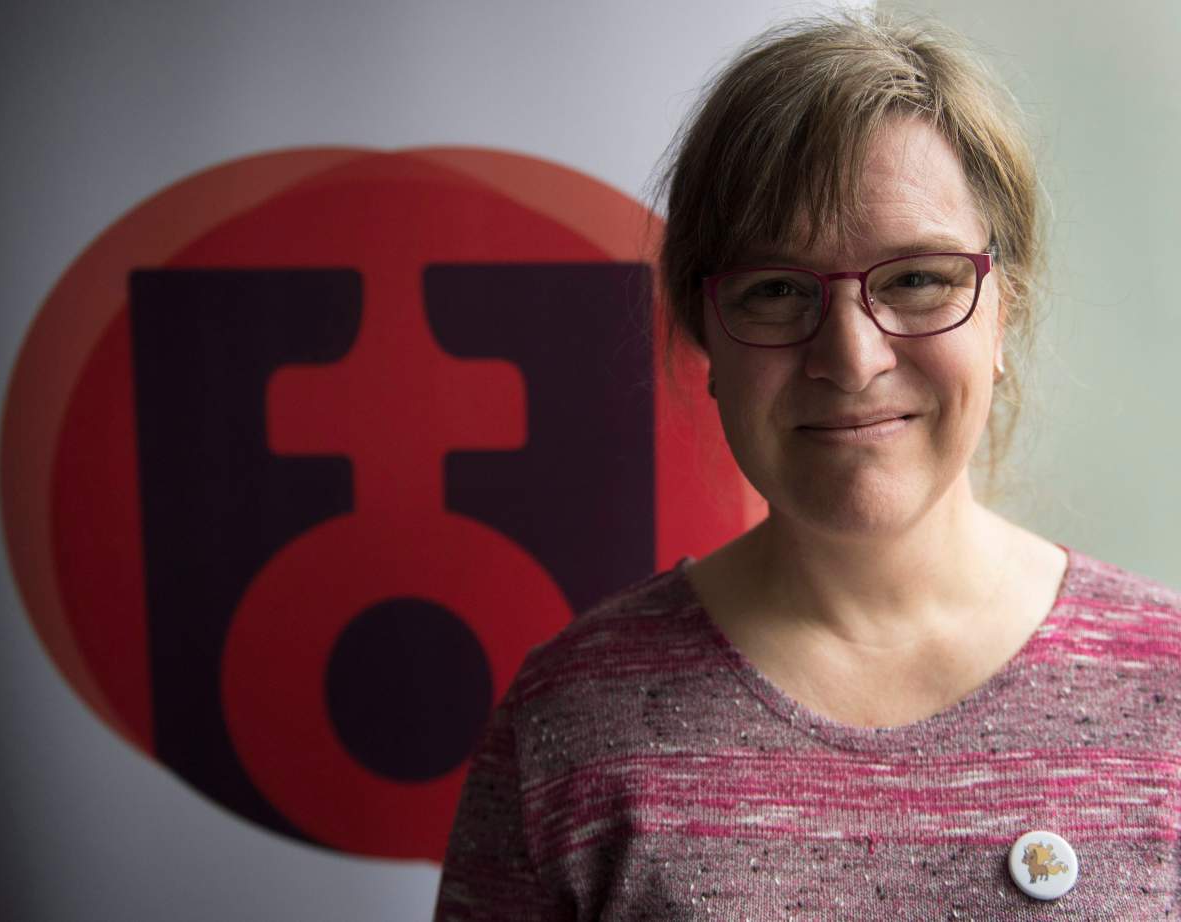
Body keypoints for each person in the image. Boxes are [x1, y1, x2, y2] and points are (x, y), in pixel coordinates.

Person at [433, 13, 1181, 920]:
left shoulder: (1165, 688)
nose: (853, 358)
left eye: (916, 279)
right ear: (706, 332)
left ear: (1004, 314)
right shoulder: (572, 728)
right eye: (779, 290)